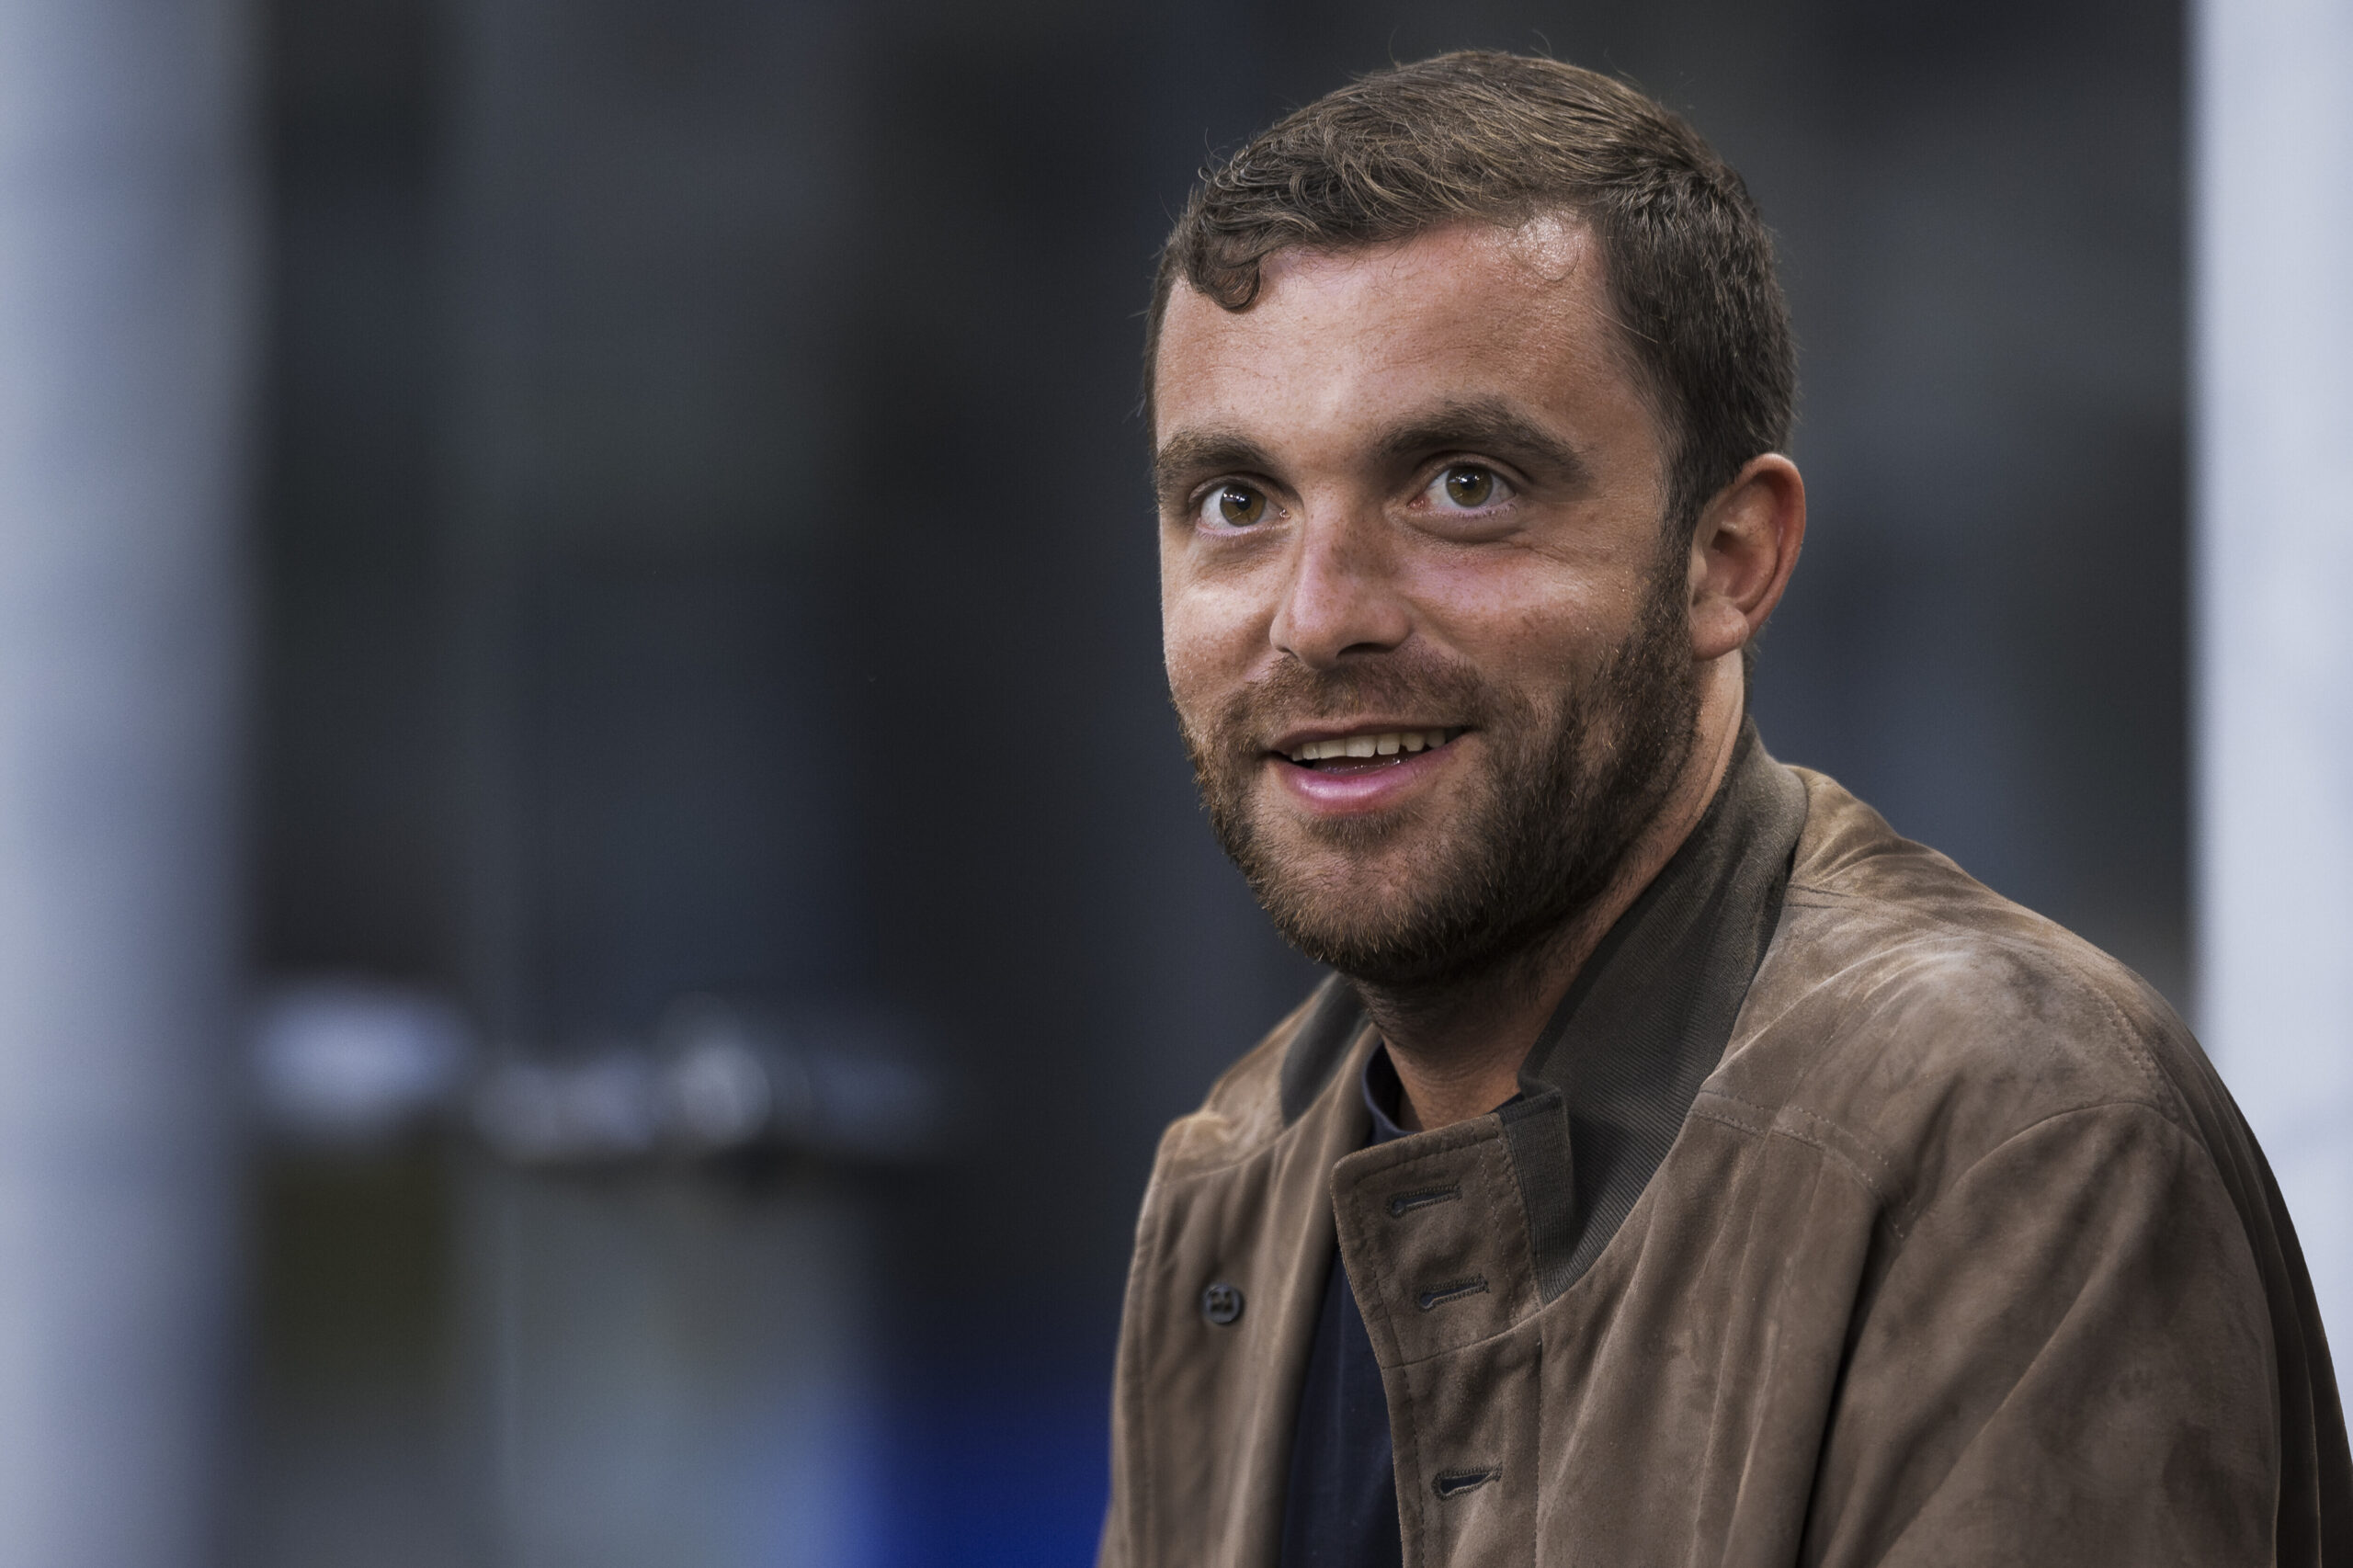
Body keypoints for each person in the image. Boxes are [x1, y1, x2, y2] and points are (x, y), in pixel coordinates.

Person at [1102, 49, 2352, 1568]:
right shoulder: (1241, 1172)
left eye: (1462, 485)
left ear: (1730, 558)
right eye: (1236, 502)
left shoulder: (2015, 1130)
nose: (1316, 616)